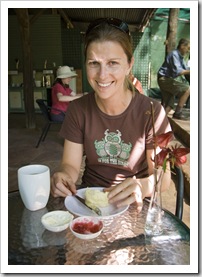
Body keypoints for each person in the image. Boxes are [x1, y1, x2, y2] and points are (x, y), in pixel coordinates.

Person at [51, 18, 171, 212]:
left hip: (134, 203)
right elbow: (70, 166)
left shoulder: (151, 112)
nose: (102, 75)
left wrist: (141, 185)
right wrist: (63, 176)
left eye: (113, 63)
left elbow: (162, 178)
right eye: (94, 63)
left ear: (129, 64)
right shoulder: (78, 109)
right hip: (88, 202)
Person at [157, 38, 190, 120]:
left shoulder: (180, 56)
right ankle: (178, 112)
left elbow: (186, 70)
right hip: (164, 79)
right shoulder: (174, 54)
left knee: (169, 105)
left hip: (166, 79)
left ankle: (157, 122)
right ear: (182, 46)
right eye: (188, 48)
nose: (188, 51)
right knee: (187, 90)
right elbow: (178, 71)